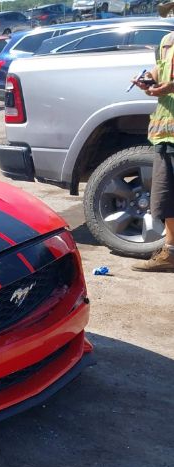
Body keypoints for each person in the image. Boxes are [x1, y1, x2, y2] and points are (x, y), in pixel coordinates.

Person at [132, 1, 174, 272]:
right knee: (166, 195)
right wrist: (148, 78)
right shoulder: (168, 40)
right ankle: (170, 252)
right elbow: (160, 68)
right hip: (167, 131)